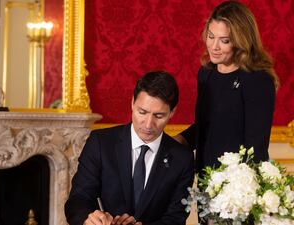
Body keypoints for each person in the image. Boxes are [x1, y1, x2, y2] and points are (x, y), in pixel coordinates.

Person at [65, 71, 195, 225]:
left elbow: (176, 218)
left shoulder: (182, 159)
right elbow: (78, 200)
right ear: (132, 103)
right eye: (142, 112)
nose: (148, 124)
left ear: (172, 112)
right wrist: (89, 219)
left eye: (158, 116)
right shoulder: (100, 142)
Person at [174, 0, 278, 173]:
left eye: (224, 40)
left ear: (240, 41)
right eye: (211, 36)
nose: (214, 47)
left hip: (237, 186)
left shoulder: (258, 80)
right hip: (205, 178)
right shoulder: (206, 73)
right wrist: (181, 140)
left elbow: (256, 149)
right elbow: (207, 125)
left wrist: (237, 191)